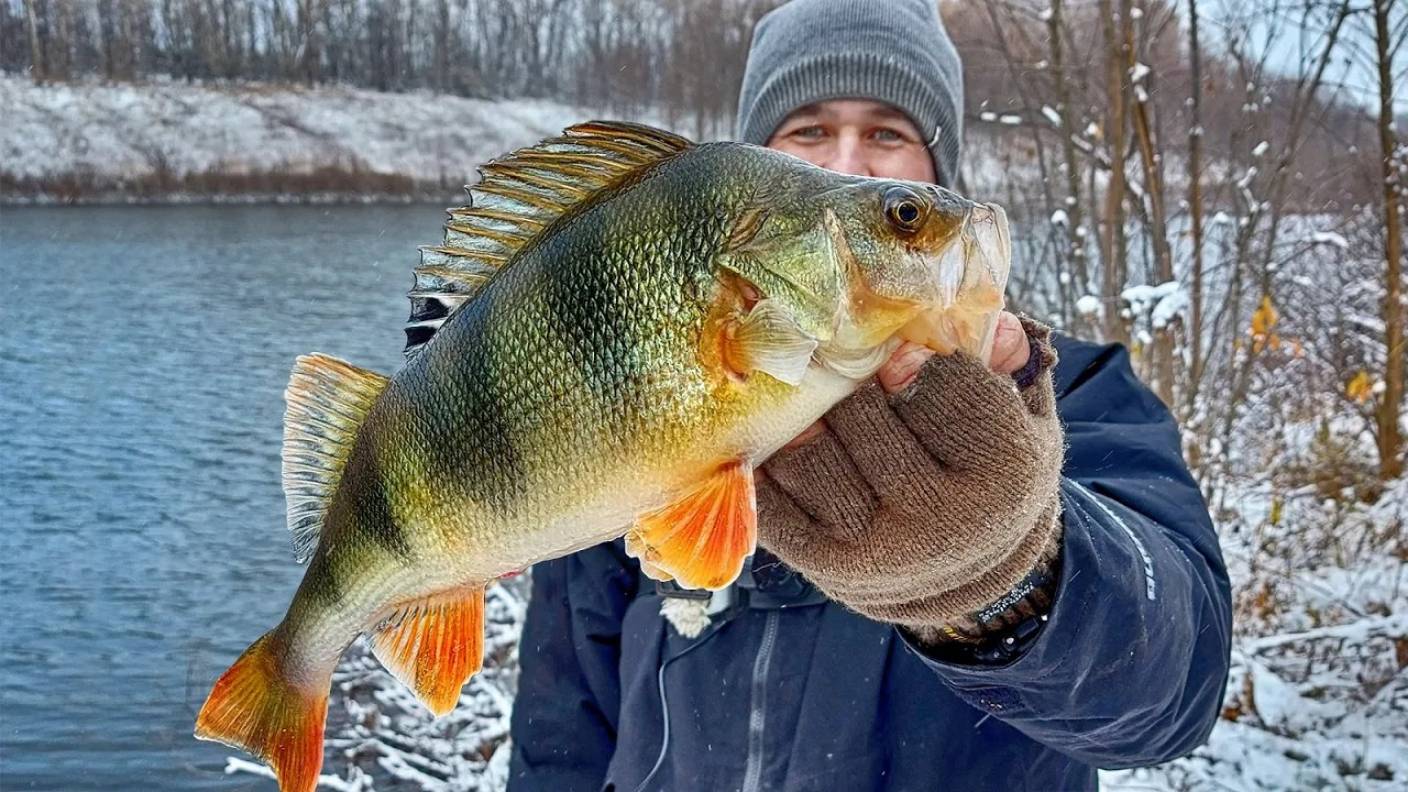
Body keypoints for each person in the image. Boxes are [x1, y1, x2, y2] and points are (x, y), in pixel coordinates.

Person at [507, 0, 1232, 789]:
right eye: (809, 132)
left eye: (888, 134)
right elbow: (562, 722)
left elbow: (1170, 692)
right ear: (759, 175)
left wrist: (1013, 568)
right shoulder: (643, 394)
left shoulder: (1067, 391)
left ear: (940, 174)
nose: (847, 161)